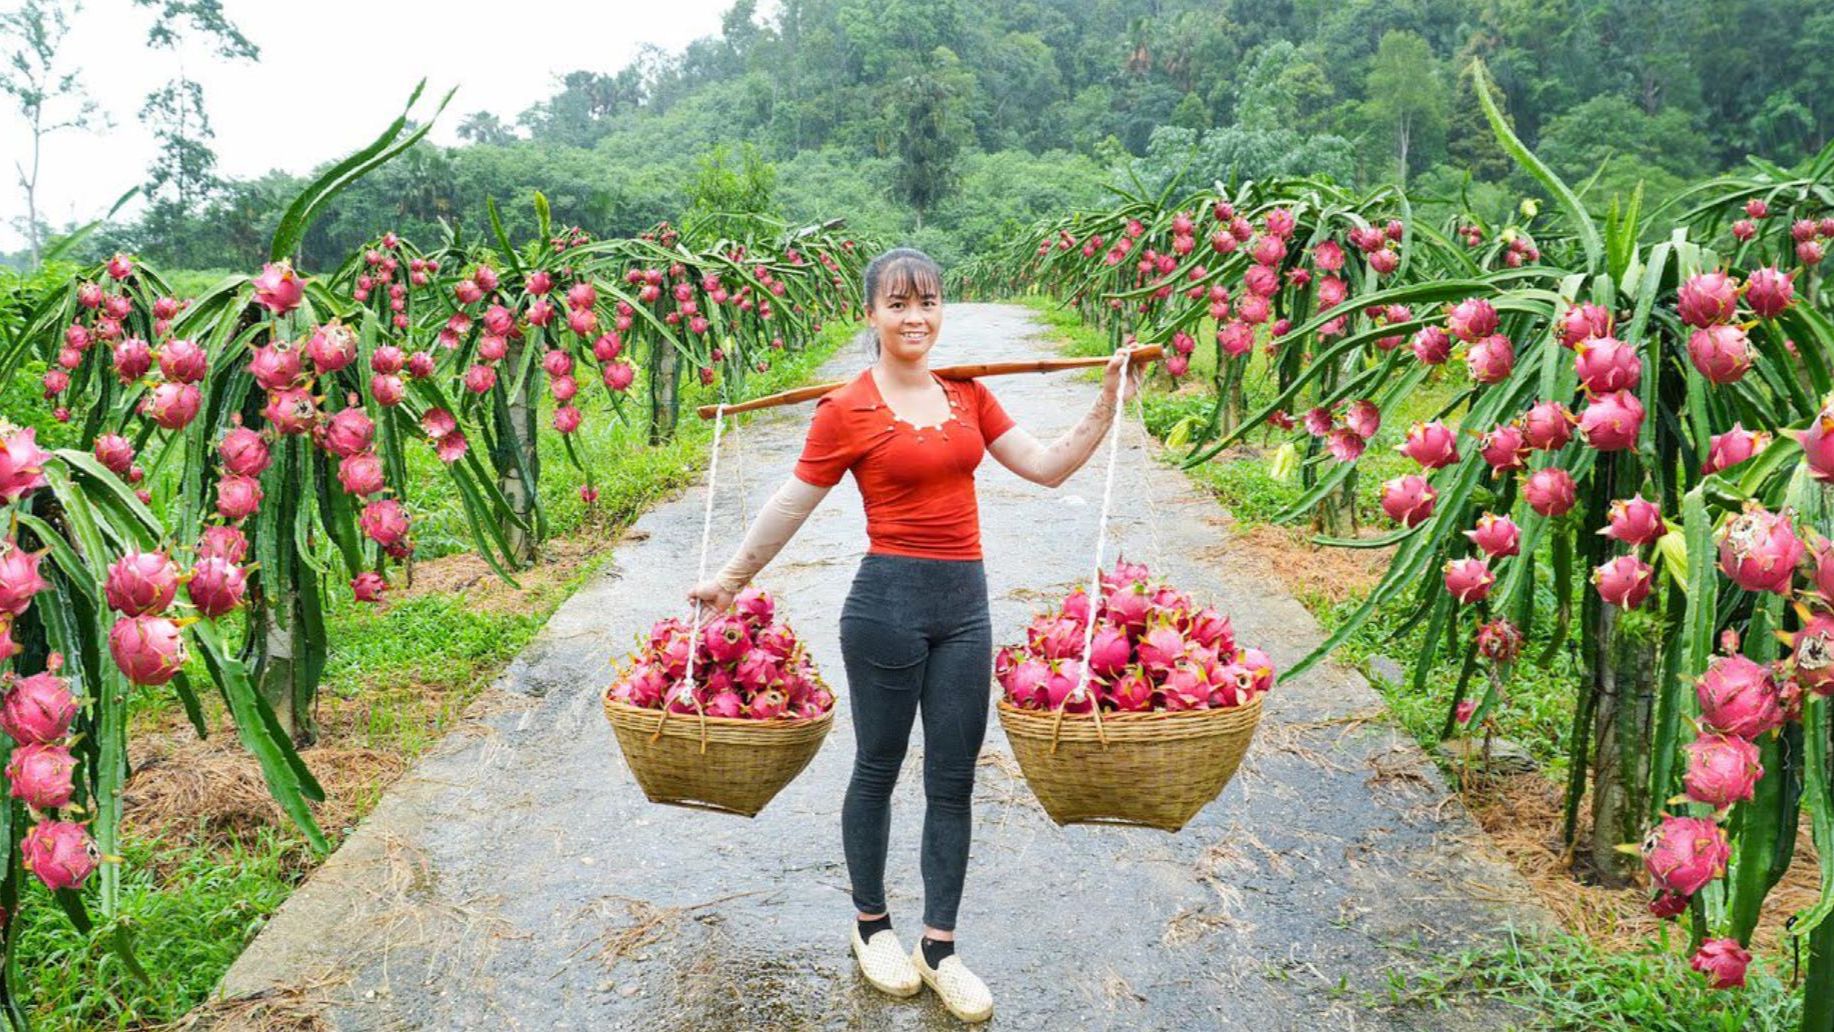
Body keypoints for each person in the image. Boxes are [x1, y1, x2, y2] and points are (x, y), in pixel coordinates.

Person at [688, 247, 1139, 1023]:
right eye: (897, 303)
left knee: (954, 778)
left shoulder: (968, 397)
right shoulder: (847, 409)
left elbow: (1048, 466)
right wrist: (728, 580)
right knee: (878, 766)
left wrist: (1106, 403)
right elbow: (790, 506)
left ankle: (940, 947)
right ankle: (872, 928)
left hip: (964, 607)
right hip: (885, 607)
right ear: (872, 315)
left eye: (926, 301)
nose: (915, 317)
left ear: (941, 310)